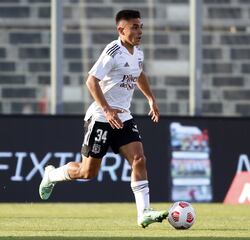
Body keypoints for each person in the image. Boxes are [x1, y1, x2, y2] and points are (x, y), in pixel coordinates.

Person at [39, 9, 168, 228]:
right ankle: (51, 175)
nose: (140, 31)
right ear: (121, 29)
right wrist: (107, 110)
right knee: (87, 172)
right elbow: (91, 81)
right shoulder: (113, 50)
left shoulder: (137, 52)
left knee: (139, 158)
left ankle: (144, 212)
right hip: (101, 117)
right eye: (134, 27)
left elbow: (139, 74)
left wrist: (151, 99)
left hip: (123, 116)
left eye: (141, 26)